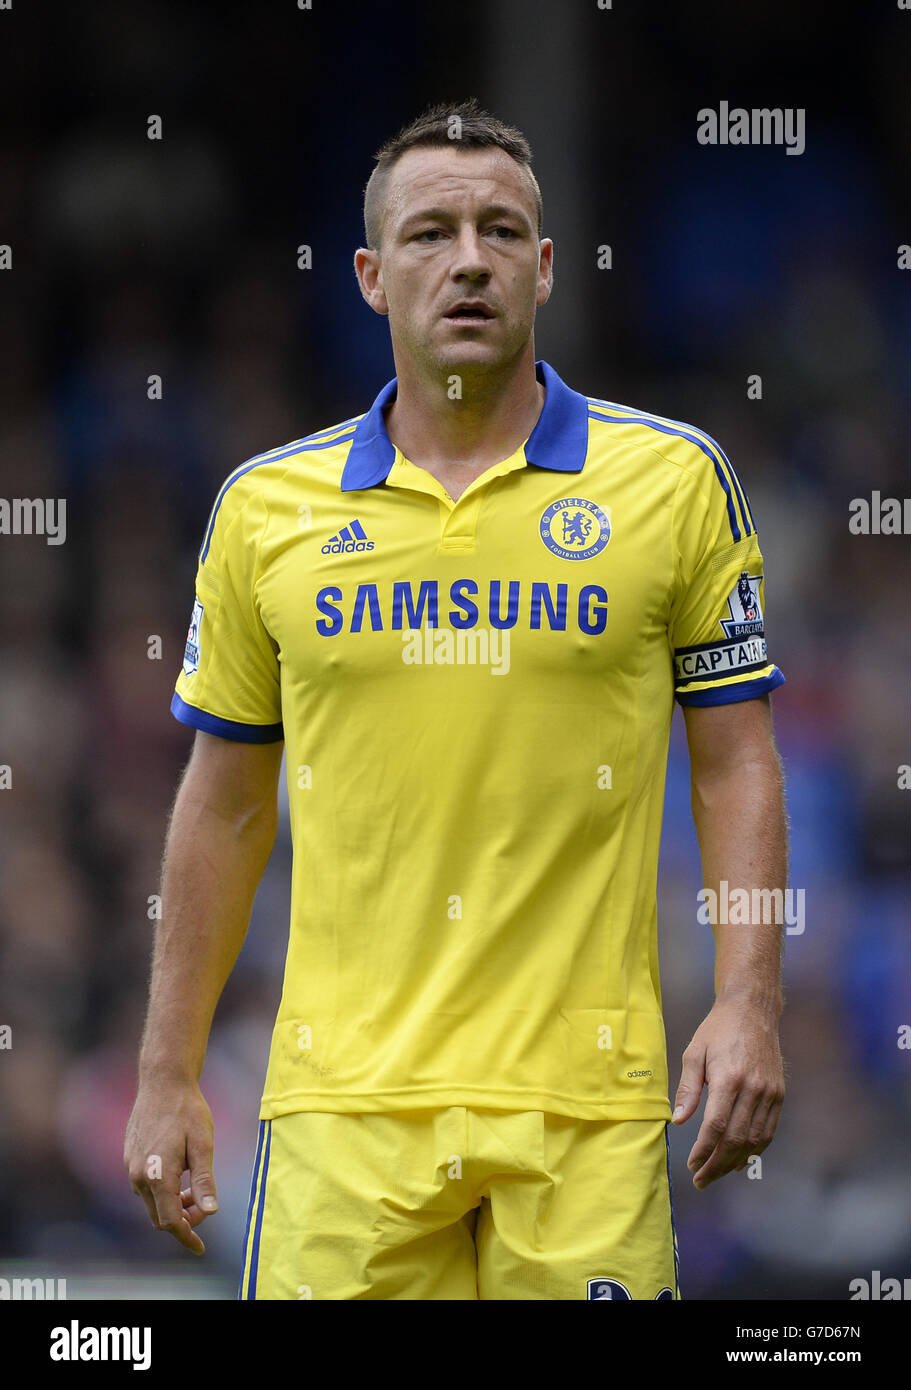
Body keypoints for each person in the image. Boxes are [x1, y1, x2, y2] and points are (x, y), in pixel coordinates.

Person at [124, 98, 788, 1301]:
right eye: (430, 234)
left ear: (543, 269)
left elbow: (735, 762)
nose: (468, 259)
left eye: (498, 231)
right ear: (374, 278)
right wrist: (167, 1071)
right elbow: (223, 806)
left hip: (584, 1111)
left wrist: (747, 1001)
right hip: (343, 1115)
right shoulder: (267, 510)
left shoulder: (673, 481)